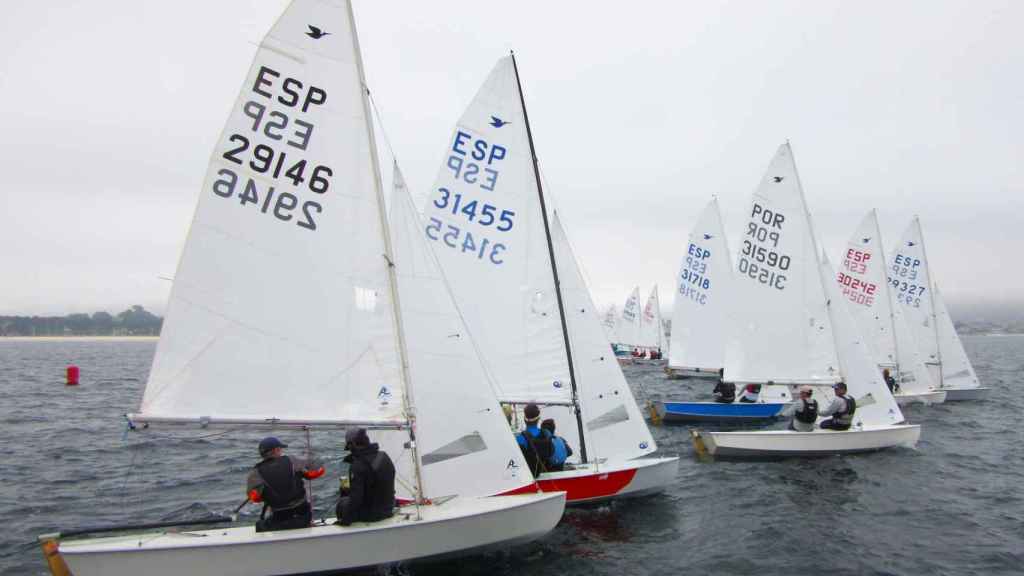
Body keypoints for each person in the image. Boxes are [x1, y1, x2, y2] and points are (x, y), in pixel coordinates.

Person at [246, 436, 325, 532]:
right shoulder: (292, 461)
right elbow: (316, 473)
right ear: (275, 450)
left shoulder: (255, 473)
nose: (281, 450)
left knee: (260, 525)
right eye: (280, 448)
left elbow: (255, 498)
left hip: (279, 520)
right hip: (303, 517)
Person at [336, 428, 396, 526]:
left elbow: (356, 500)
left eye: (349, 447)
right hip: (389, 509)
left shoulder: (358, 465)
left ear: (353, 445)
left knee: (342, 503)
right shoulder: (384, 456)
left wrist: (344, 520)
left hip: (371, 515)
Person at [515, 403, 554, 477]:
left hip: (529, 476)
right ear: (538, 419)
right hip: (546, 475)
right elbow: (552, 453)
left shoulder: (520, 438)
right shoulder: (547, 433)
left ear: (524, 419)